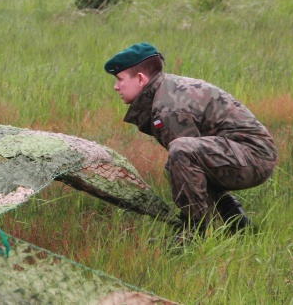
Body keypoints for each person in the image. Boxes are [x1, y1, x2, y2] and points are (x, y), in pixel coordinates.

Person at [104, 42, 277, 241]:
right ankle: (238, 224)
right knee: (177, 162)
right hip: (244, 154)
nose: (116, 87)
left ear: (141, 79)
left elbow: (188, 164)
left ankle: (193, 235)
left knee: (180, 155)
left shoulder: (169, 107)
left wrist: (191, 221)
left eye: (119, 79)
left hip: (254, 158)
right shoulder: (165, 90)